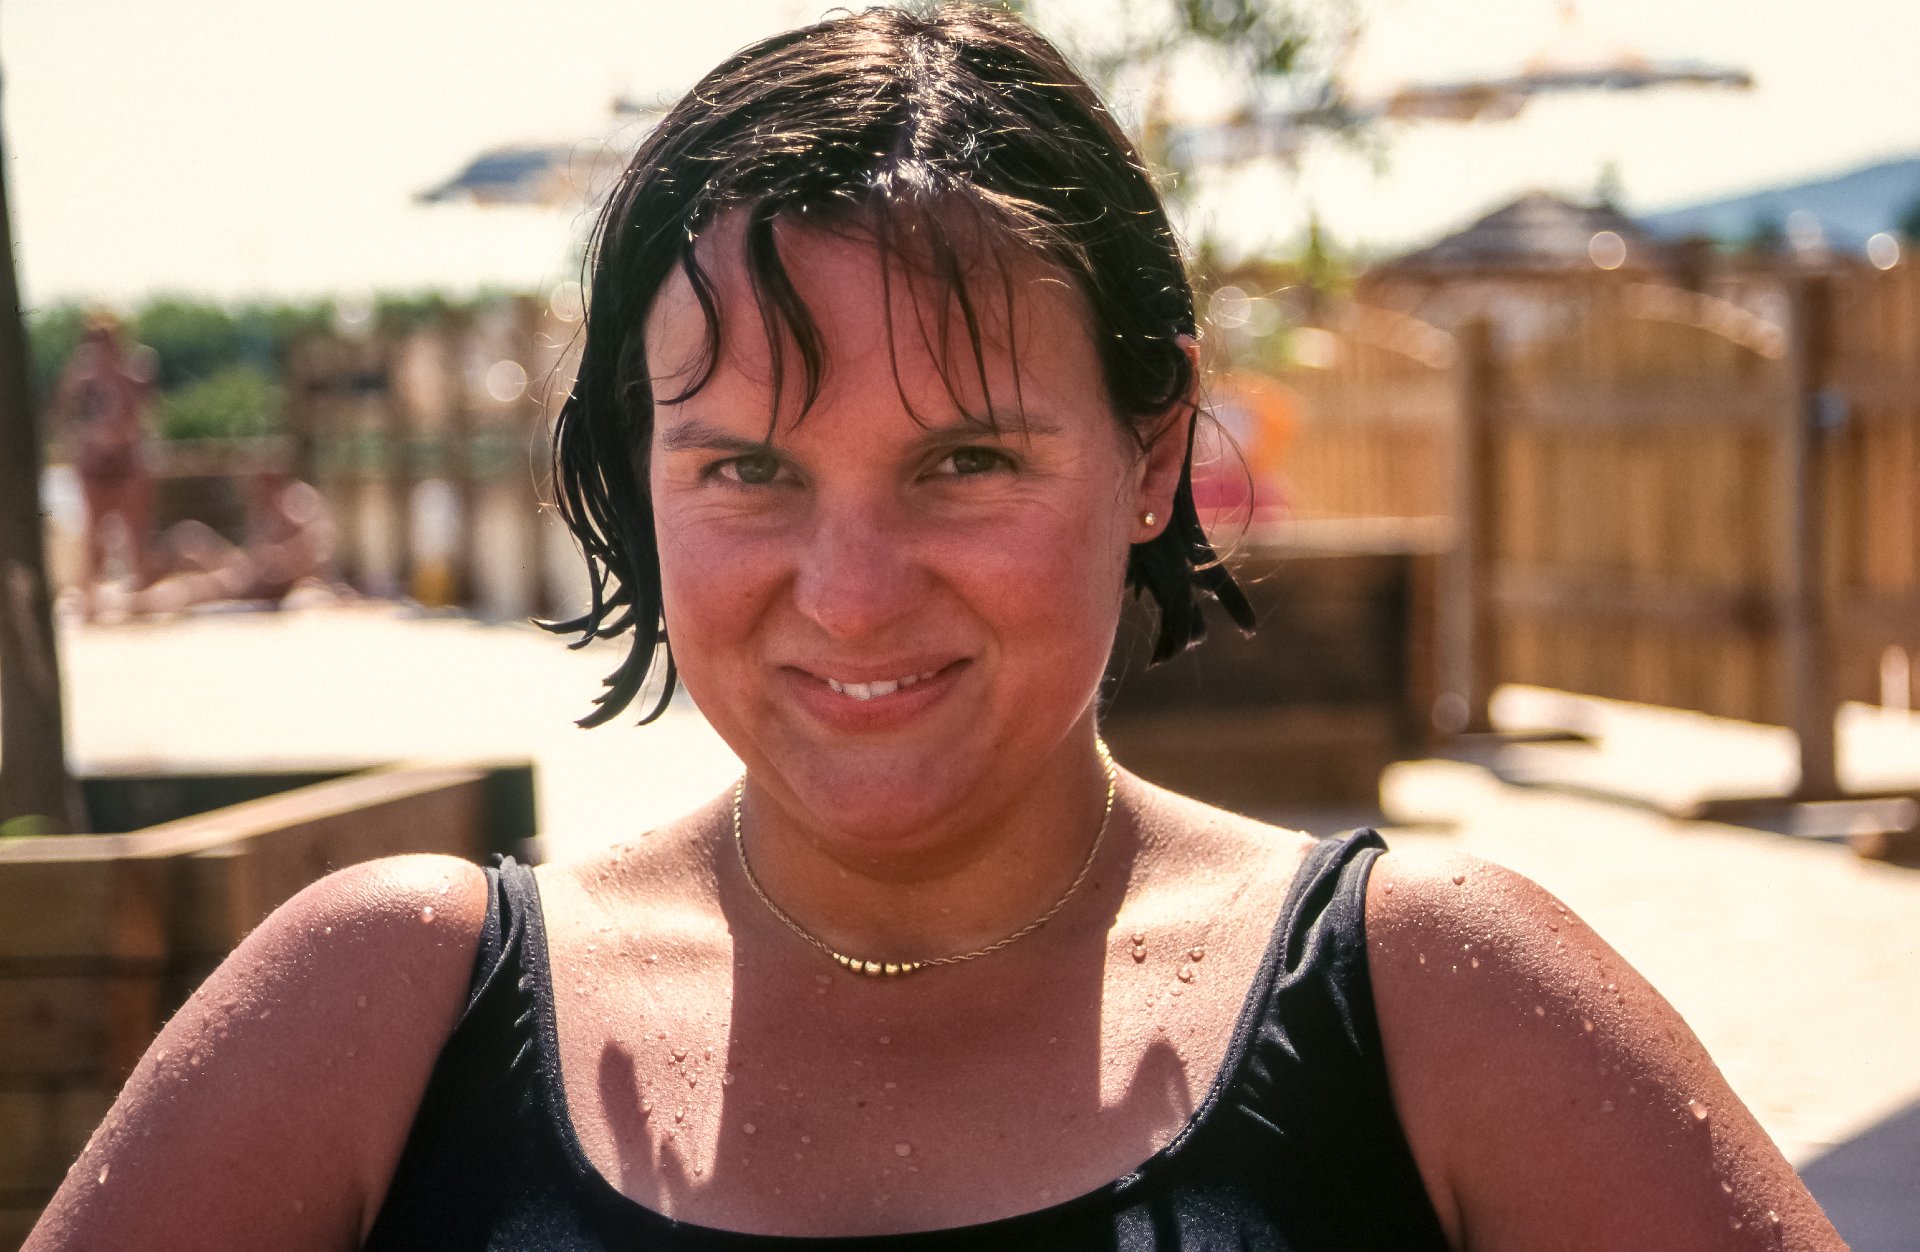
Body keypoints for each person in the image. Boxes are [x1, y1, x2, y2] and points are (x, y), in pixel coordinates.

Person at [27, 8, 1843, 1250]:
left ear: (1153, 453)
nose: (851, 589)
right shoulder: (382, 1013)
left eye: (965, 461)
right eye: (747, 468)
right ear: (634, 476)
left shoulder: (1441, 1007)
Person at [52, 312, 158, 616]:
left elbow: (142, 415)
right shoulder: (81, 378)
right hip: (95, 464)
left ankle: (139, 598)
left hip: (126, 461)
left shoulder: (133, 372)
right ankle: (91, 600)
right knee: (94, 532)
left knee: (135, 532)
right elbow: (66, 416)